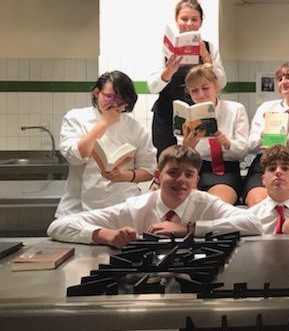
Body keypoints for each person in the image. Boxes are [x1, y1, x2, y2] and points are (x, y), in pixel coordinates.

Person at [48, 146, 261, 246]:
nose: (181, 180)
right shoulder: (136, 208)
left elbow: (253, 223)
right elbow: (58, 226)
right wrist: (103, 234)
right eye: (173, 173)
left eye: (189, 175)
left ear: (196, 180)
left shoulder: (206, 203)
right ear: (158, 176)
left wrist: (189, 228)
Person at [56, 71, 156, 218]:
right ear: (97, 93)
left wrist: (121, 176)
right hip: (78, 209)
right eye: (109, 96)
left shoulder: (136, 128)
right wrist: (103, 123)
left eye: (121, 99)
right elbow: (75, 157)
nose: (115, 103)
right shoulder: (76, 118)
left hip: (123, 205)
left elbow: (149, 170)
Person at [147, 0, 226, 157]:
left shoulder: (209, 47)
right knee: (167, 159)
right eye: (184, 19)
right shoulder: (165, 48)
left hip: (199, 112)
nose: (189, 24)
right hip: (166, 113)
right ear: (176, 20)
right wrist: (168, 71)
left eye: (194, 19)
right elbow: (152, 87)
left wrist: (206, 58)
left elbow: (222, 83)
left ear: (201, 21)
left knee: (196, 158)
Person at [243, 62, 289, 206]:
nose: (283, 82)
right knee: (259, 203)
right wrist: (263, 135)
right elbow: (251, 146)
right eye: (280, 79)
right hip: (263, 165)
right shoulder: (266, 108)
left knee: (285, 203)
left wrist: (283, 146)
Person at [179, 64, 249, 204]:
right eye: (194, 90)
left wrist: (227, 143)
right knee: (183, 203)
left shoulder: (235, 109)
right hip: (194, 169)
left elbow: (243, 152)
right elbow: (181, 158)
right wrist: (187, 147)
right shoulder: (187, 115)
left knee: (214, 205)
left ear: (216, 86)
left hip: (226, 170)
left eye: (205, 88)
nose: (201, 95)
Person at [248, 146, 289, 234]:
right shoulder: (250, 217)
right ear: (263, 179)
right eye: (272, 169)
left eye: (285, 168)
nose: (278, 172)